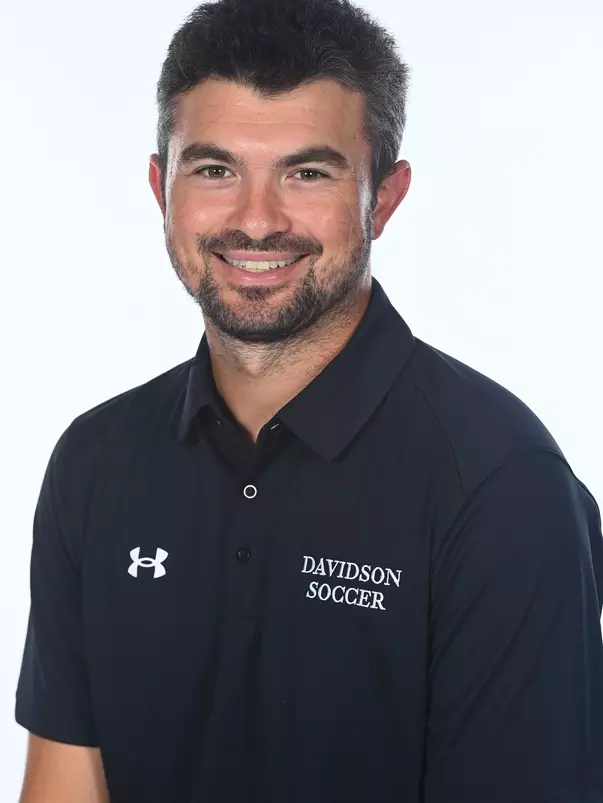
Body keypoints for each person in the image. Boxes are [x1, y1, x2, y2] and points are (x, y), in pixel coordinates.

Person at [15, 0, 603, 800]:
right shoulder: (95, 459)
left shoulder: (502, 486)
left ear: (383, 199)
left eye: (308, 172)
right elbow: (67, 783)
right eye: (215, 170)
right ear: (162, 188)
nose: (256, 220)